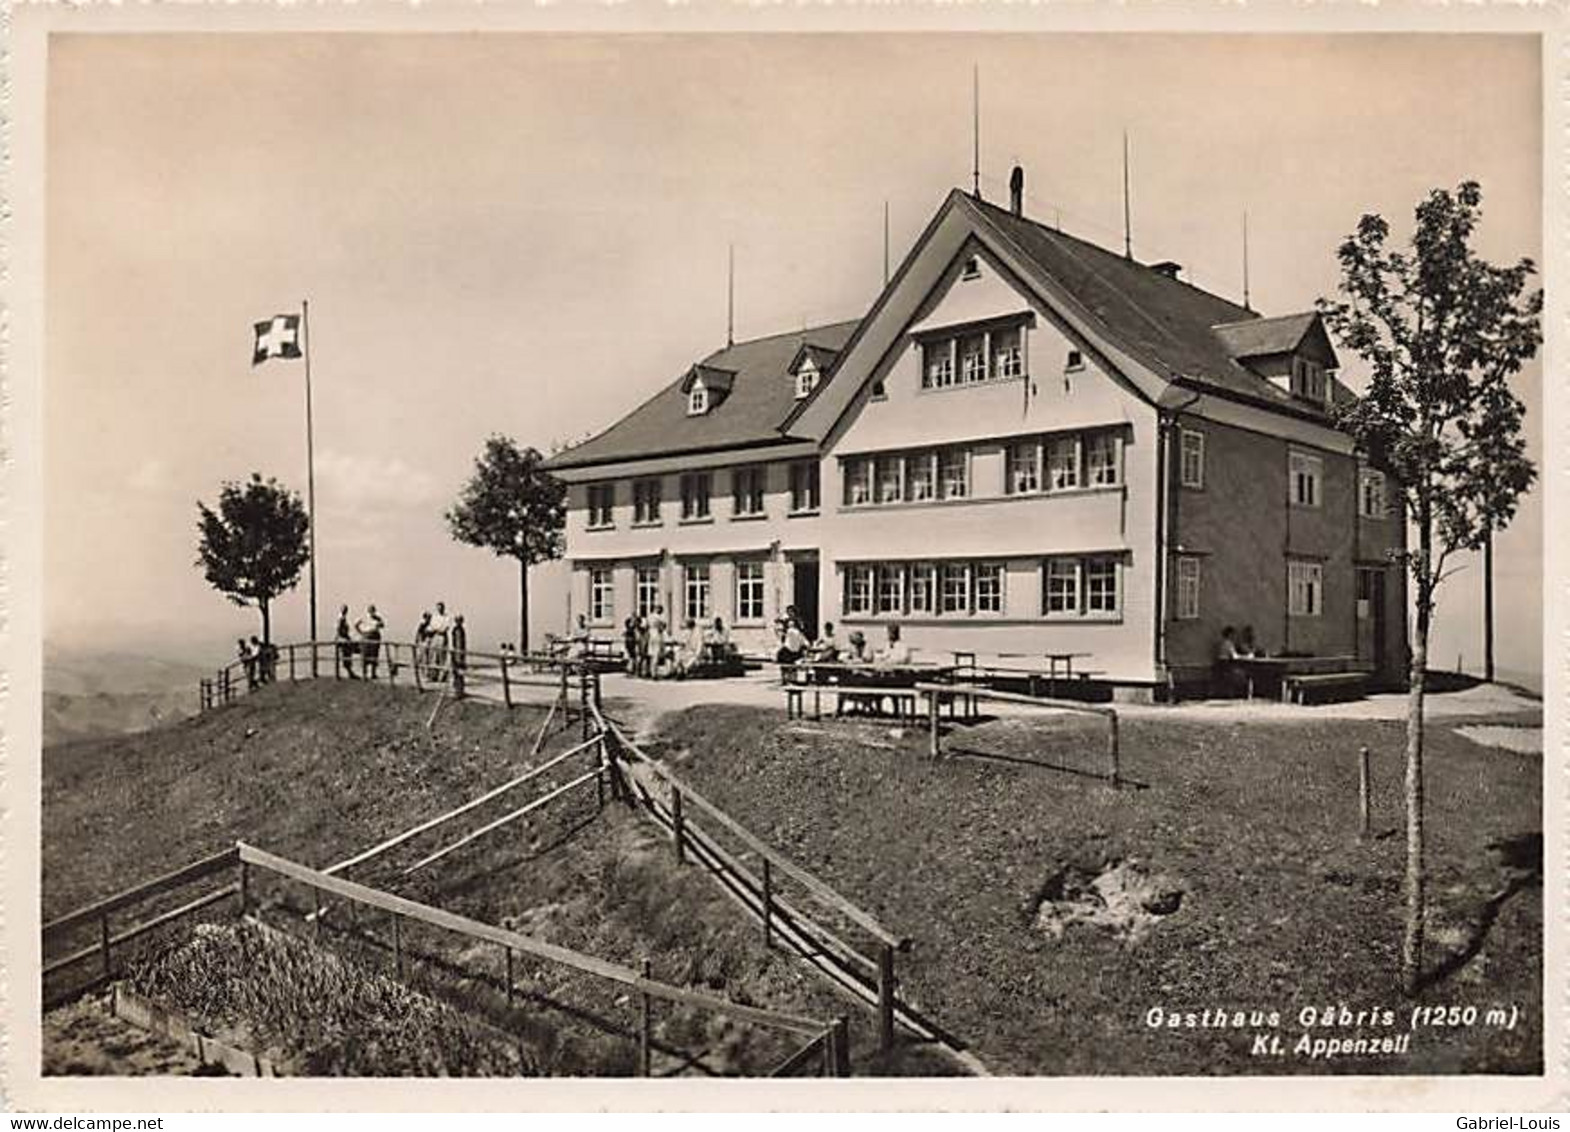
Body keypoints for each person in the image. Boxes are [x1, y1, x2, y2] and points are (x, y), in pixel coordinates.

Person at [357, 604, 385, 680]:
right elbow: (356, 624)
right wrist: (361, 632)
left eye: (373, 610)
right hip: (366, 636)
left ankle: (373, 673)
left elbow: (383, 625)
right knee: (365, 655)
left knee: (374, 655)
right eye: (370, 610)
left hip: (375, 636)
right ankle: (364, 674)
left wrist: (379, 624)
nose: (371, 612)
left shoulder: (377, 618)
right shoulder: (364, 617)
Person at [429, 601, 452, 682]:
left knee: (442, 656)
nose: (439, 609)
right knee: (434, 656)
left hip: (442, 636)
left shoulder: (447, 617)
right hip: (435, 636)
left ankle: (442, 677)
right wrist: (437, 628)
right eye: (438, 608)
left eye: (441, 608)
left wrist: (438, 628)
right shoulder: (434, 617)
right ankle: (433, 676)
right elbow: (432, 626)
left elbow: (445, 628)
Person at [335, 604, 358, 679]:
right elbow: (339, 629)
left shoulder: (343, 618)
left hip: (345, 638)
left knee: (348, 654)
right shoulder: (341, 619)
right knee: (346, 654)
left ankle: (350, 671)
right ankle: (349, 672)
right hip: (342, 639)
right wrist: (342, 637)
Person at [449, 614, 468, 697]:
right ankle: (459, 691)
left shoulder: (459, 630)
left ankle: (459, 690)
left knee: (458, 672)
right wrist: (459, 655)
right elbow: (458, 643)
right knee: (458, 672)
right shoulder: (458, 630)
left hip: (458, 653)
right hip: (458, 654)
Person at [648, 606, 669, 679]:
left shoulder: (650, 616)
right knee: (656, 655)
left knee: (654, 656)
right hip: (656, 637)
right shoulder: (657, 618)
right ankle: (654, 673)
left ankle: (653, 672)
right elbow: (661, 626)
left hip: (652, 637)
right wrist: (662, 626)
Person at [413, 611, 433, 681]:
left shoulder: (431, 625)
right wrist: (417, 641)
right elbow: (418, 633)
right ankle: (423, 674)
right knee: (422, 658)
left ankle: (427, 674)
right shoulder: (422, 625)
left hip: (428, 642)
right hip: (423, 642)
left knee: (427, 658)